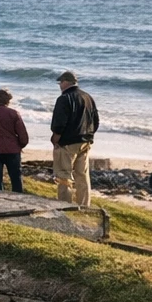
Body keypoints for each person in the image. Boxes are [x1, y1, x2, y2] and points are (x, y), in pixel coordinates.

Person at [50, 71, 100, 207]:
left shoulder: (64, 98)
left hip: (67, 141)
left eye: (61, 82)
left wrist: (55, 139)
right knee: (82, 174)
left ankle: (65, 204)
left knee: (63, 174)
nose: (60, 85)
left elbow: (59, 124)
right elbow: (95, 121)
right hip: (85, 140)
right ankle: (84, 204)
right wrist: (89, 135)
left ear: (66, 82)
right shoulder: (88, 97)